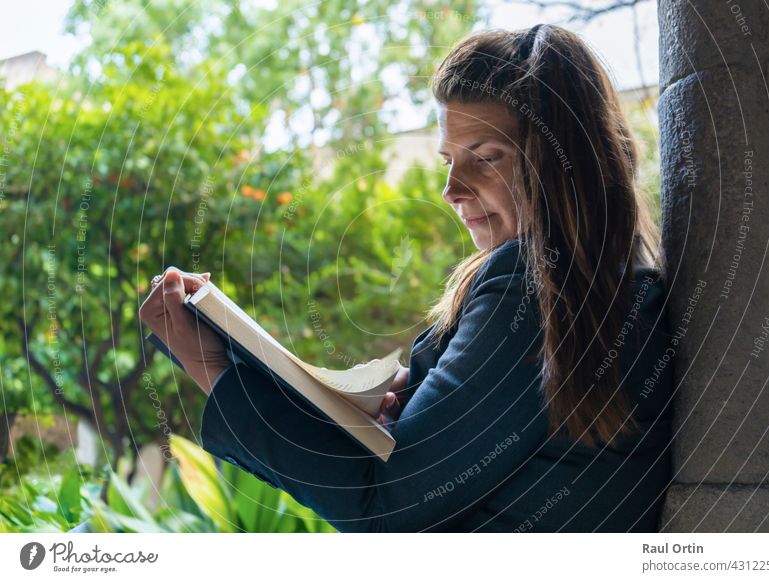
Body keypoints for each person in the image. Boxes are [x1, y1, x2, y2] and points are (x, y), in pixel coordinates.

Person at [139, 23, 674, 532]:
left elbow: (386, 509)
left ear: (564, 165)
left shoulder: (533, 291)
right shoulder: (608, 287)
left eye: (486, 158)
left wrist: (208, 364)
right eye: (448, 161)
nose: (452, 190)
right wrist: (401, 407)